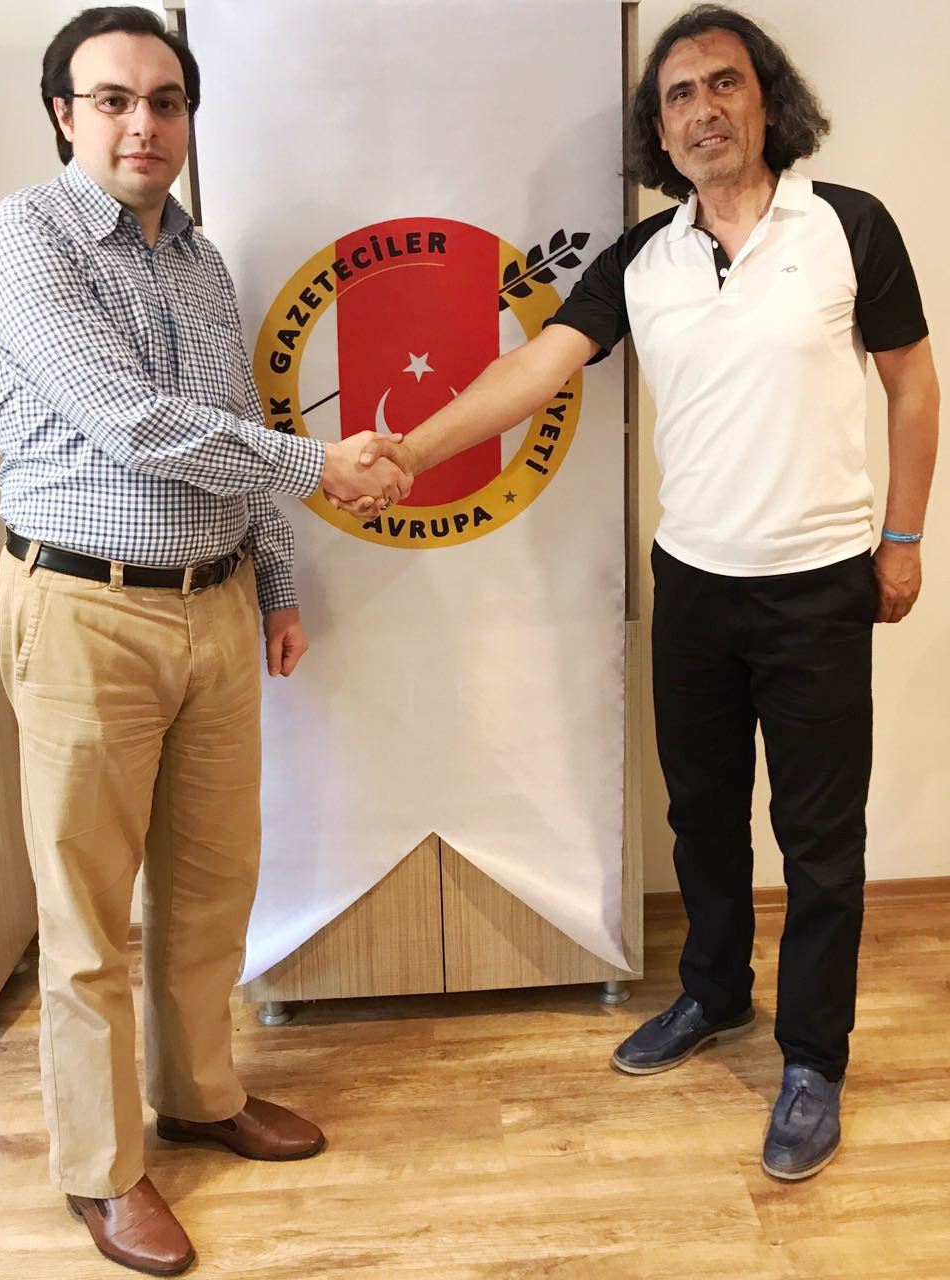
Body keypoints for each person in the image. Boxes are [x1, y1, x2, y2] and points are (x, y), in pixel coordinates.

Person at [346, 3, 939, 1182]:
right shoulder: (641, 260)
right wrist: (411, 450)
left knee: (818, 841)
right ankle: (714, 993)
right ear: (657, 133)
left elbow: (911, 383)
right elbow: (533, 367)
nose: (702, 110)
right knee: (700, 816)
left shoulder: (847, 225)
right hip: (697, 586)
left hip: (819, 586)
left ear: (765, 100)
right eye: (678, 96)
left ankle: (811, 1058)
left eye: (723, 83)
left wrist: (902, 536)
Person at [0, 7, 410, 1275]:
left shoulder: (202, 261)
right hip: (85, 610)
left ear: (186, 118)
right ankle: (103, 1168)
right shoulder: (21, 238)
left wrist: (275, 581)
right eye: (113, 99)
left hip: (214, 606)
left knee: (213, 882)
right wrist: (322, 468)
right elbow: (128, 419)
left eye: (164, 101)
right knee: (87, 915)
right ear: (63, 113)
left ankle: (198, 1093)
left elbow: (235, 421)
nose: (143, 124)